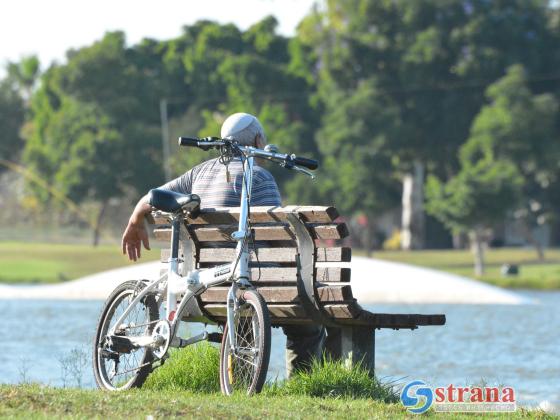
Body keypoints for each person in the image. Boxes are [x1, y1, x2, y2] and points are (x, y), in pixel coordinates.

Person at [121, 112, 325, 377]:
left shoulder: (199, 174)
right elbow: (277, 241)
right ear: (256, 139)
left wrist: (135, 219)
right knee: (308, 323)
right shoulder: (260, 177)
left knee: (248, 293)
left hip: (201, 291)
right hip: (249, 285)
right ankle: (303, 385)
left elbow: (152, 197)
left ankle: (239, 378)